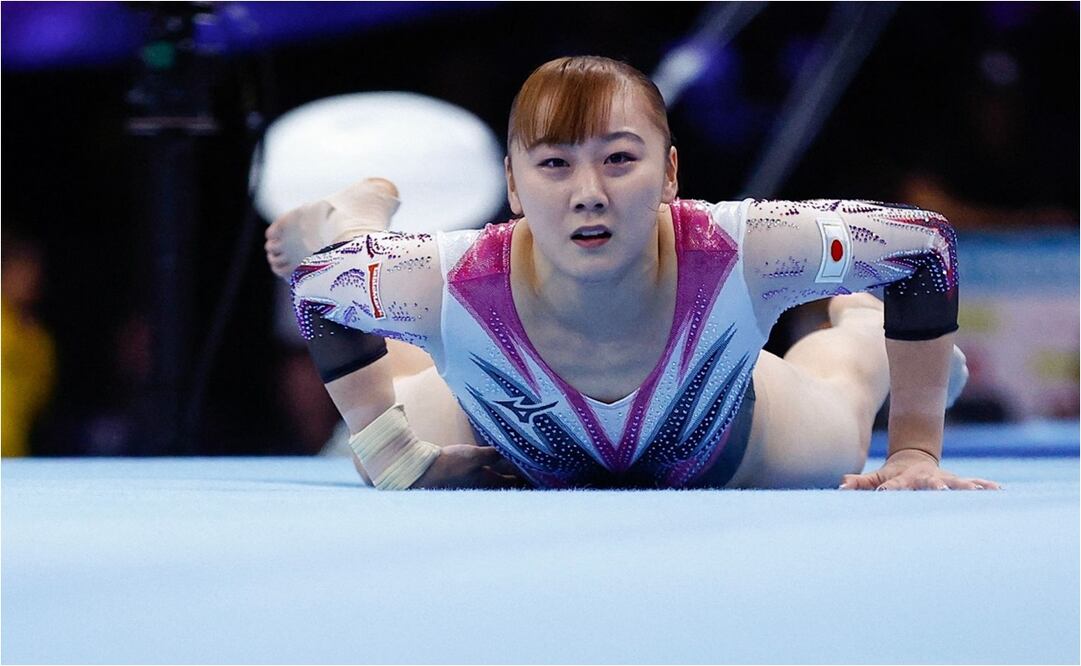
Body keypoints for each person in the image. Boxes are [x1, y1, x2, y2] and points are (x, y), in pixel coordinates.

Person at [266, 56, 1000, 492]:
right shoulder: (452, 273)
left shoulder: (741, 247)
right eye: (554, 165)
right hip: (493, 431)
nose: (588, 191)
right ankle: (353, 223)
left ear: (669, 171)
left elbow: (920, 247)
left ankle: (868, 327)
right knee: (386, 445)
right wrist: (390, 450)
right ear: (514, 187)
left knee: (845, 390)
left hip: (732, 445)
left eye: (619, 159)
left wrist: (911, 449)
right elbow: (321, 289)